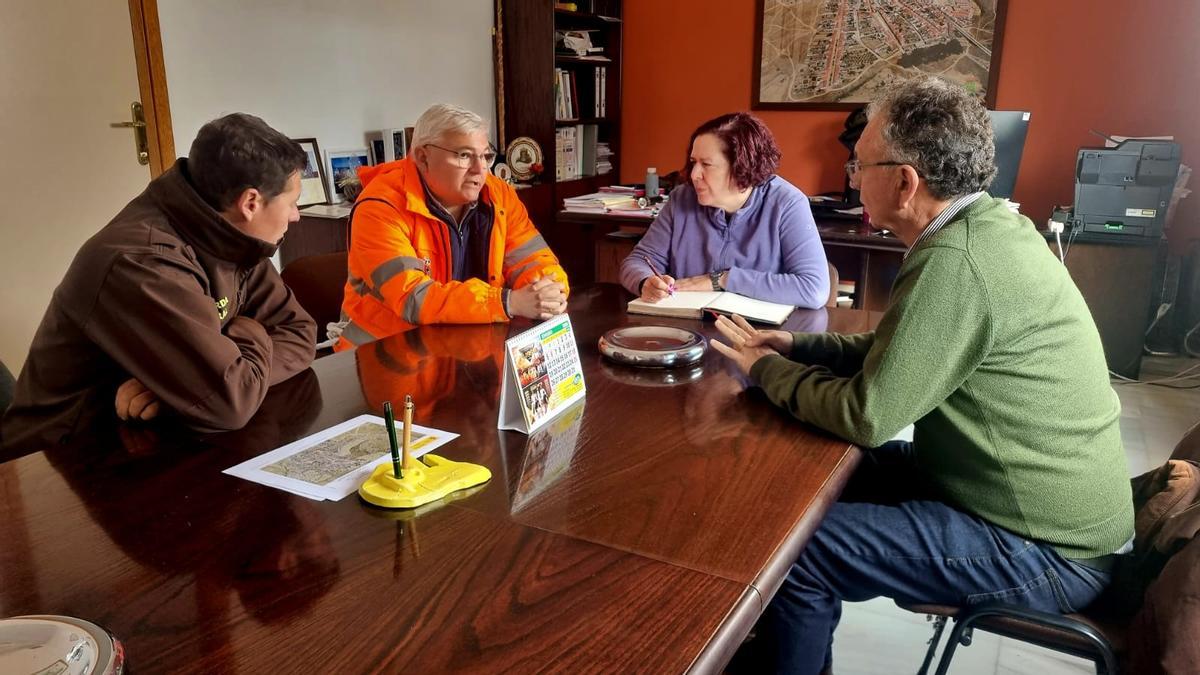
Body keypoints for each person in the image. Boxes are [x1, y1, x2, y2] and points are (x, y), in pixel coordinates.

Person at [711, 77, 1134, 674]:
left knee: (796, 555)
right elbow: (905, 346)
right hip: (1009, 499)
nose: (853, 180)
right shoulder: (988, 226)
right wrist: (798, 344)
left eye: (860, 167)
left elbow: (868, 415)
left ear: (905, 182)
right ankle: (772, 641)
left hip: (1046, 549)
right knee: (801, 484)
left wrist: (767, 367)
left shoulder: (956, 262)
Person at [1, 113, 317, 455]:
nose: (296, 216)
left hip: (148, 438)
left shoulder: (231, 237)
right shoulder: (142, 261)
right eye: (292, 202)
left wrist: (187, 390)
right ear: (251, 203)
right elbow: (229, 402)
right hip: (60, 461)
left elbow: (300, 332)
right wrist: (244, 340)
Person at [334, 104, 568, 350]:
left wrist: (549, 290)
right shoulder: (380, 207)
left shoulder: (499, 195)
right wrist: (507, 302)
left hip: (466, 346)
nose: (480, 170)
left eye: (485, 156)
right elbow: (413, 298)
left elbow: (532, 259)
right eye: (464, 155)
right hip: (387, 353)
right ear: (423, 157)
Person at [618, 112, 828, 307]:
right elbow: (638, 261)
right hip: (686, 330)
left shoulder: (787, 203)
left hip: (755, 336)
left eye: (706, 165)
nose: (693, 175)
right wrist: (645, 282)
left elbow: (814, 288)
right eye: (693, 163)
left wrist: (723, 280)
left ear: (742, 167)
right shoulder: (682, 199)